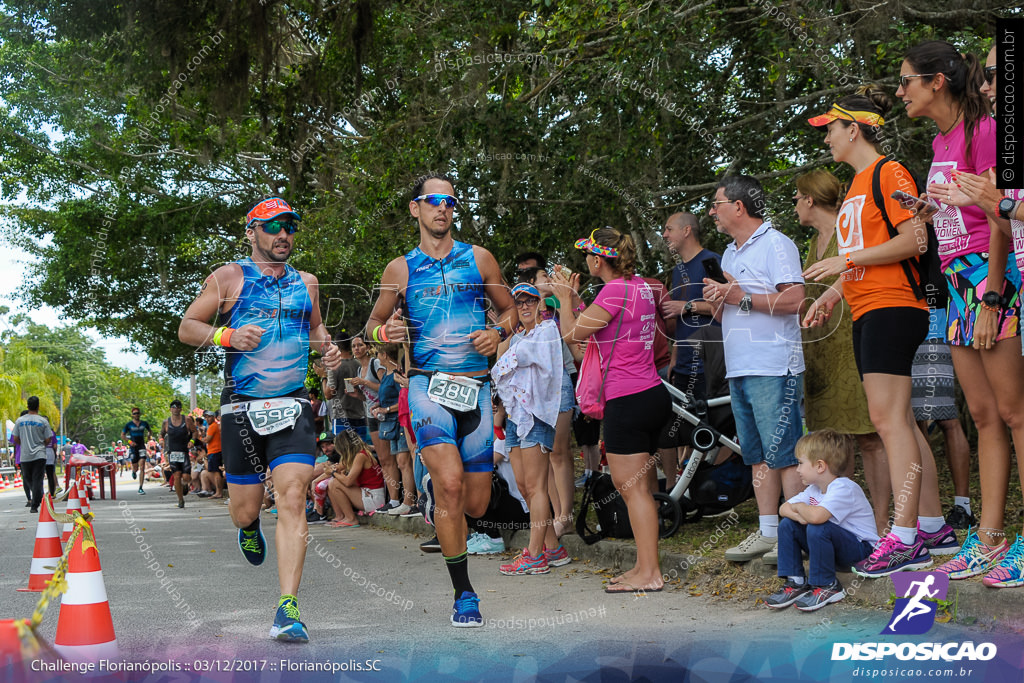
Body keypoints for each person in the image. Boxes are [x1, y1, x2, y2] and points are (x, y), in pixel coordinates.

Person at [178, 196, 343, 642]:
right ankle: (248, 526)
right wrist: (226, 334)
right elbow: (188, 326)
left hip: (291, 405)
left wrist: (326, 350)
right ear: (251, 232)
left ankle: (288, 608)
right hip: (240, 408)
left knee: (292, 498)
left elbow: (315, 331)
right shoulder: (229, 277)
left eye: (289, 226)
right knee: (244, 508)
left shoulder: (306, 282)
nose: (283, 234)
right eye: (272, 227)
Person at [803, 87, 953, 577]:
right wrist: (831, 295)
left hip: (894, 308)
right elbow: (861, 260)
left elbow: (914, 239)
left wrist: (843, 260)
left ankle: (905, 537)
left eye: (831, 128)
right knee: (902, 423)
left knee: (888, 423)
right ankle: (932, 525)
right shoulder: (855, 187)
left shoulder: (888, 172)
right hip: (868, 307)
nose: (826, 137)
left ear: (854, 128)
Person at [365, 172, 517, 627]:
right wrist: (383, 333)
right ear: (415, 208)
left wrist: (498, 332)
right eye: (433, 201)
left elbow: (511, 310)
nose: (442, 209)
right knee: (451, 484)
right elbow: (368, 327)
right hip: (426, 386)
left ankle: (436, 494)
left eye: (450, 202)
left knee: (475, 503)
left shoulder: (480, 259)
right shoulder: (401, 269)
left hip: (474, 389)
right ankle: (464, 594)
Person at [898, 39, 1021, 578]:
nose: (900, 91)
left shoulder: (987, 131)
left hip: (988, 279)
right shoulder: (942, 139)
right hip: (954, 281)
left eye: (906, 81)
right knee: (983, 416)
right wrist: (930, 207)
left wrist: (993, 294)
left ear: (936, 82)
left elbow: (1002, 218)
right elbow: (965, 207)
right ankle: (989, 536)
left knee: (1016, 414)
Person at [551, 226, 671, 593]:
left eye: (588, 254)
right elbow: (606, 328)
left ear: (598, 259)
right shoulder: (638, 288)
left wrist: (564, 300)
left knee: (633, 491)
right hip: (651, 393)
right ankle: (644, 566)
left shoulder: (614, 290)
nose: (585, 260)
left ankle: (650, 572)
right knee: (641, 490)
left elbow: (571, 336)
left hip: (627, 399)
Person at [702, 175, 805, 564]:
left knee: (785, 453)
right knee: (757, 455)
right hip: (740, 365)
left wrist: (739, 296)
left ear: (739, 207)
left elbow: (795, 299)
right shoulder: (729, 253)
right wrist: (717, 299)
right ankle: (768, 532)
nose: (712, 211)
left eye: (717, 203)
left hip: (775, 364)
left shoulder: (776, 244)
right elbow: (730, 310)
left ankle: (794, 534)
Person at [794, 169, 890, 536]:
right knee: (833, 442)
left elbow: (862, 269)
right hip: (819, 351)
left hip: (852, 339)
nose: (795, 207)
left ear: (810, 199)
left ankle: (881, 524)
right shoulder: (811, 243)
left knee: (869, 436)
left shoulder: (849, 230)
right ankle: (841, 521)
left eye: (796, 199)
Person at [492, 282, 571, 575]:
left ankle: (535, 555)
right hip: (515, 415)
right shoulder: (517, 337)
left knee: (537, 487)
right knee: (525, 486)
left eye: (530, 301)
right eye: (519, 302)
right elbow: (506, 368)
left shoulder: (548, 330)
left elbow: (514, 361)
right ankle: (553, 548)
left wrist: (500, 366)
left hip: (537, 415)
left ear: (541, 304)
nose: (525, 306)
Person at [766, 430, 879, 611]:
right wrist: (799, 517)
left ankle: (827, 586)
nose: (798, 469)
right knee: (788, 524)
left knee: (818, 527)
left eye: (801, 463)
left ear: (820, 466)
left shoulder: (844, 487)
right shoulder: (814, 489)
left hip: (862, 552)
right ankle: (796, 582)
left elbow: (816, 517)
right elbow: (783, 508)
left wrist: (801, 509)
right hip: (835, 551)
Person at [659, 211, 727, 492]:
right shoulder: (677, 270)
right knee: (681, 426)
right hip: (684, 359)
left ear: (687, 231)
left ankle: (713, 485)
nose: (664, 235)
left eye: (669, 229)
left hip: (709, 359)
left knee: (714, 427)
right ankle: (682, 488)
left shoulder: (713, 261)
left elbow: (726, 306)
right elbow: (679, 321)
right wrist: (674, 356)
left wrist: (685, 306)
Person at [911, 305, 974, 530]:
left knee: (946, 418)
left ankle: (962, 507)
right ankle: (927, 509)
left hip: (932, 327)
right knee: (914, 422)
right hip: (899, 328)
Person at [349, 337, 400, 510]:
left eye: (360, 345)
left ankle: (396, 499)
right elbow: (367, 395)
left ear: (367, 347)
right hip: (371, 414)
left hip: (386, 413)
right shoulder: (357, 369)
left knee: (392, 458)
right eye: (354, 346)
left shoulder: (375, 363)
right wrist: (357, 395)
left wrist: (363, 382)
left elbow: (384, 387)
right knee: (383, 459)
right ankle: (390, 500)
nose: (357, 348)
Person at [375, 343, 417, 515]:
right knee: (400, 462)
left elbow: (403, 398)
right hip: (392, 423)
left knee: (404, 461)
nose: (377, 357)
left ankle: (409, 501)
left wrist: (386, 410)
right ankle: (403, 500)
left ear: (384, 355)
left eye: (378, 354)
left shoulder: (396, 374)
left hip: (400, 422)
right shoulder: (386, 375)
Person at [325, 430, 386, 527]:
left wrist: (333, 472)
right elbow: (340, 467)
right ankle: (341, 516)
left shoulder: (361, 455)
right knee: (332, 482)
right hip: (367, 494)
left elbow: (348, 482)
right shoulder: (356, 455)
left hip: (373, 498)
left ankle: (351, 519)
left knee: (335, 483)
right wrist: (333, 469)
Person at [11, 397, 54, 514]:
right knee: (37, 479)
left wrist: (24, 444)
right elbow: (48, 439)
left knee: (28, 478)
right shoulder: (43, 421)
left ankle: (34, 504)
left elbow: (15, 438)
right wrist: (41, 445)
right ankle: (37, 499)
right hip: (40, 454)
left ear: (27, 406)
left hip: (25, 455)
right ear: (38, 407)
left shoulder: (20, 421)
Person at [324, 339, 370, 441]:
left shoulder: (334, 366)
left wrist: (323, 378)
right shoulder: (359, 364)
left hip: (341, 417)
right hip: (360, 415)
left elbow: (328, 394)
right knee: (361, 451)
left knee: (343, 452)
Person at [161, 399, 196, 509]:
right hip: (173, 453)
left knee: (186, 477)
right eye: (173, 407)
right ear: (170, 409)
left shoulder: (187, 420)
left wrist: (192, 441)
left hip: (184, 452)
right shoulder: (166, 422)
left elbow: (195, 432)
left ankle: (185, 485)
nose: (175, 409)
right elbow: (161, 434)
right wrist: (161, 440)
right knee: (176, 476)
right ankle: (180, 500)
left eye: (177, 407)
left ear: (181, 409)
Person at [122, 408, 152, 494]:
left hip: (141, 446)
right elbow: (123, 435)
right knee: (135, 467)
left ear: (140, 414)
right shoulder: (129, 425)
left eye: (138, 413)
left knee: (142, 466)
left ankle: (140, 487)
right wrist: (130, 442)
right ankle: (134, 472)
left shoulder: (144, 423)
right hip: (133, 447)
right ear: (132, 415)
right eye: (135, 413)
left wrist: (149, 436)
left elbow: (150, 431)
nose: (136, 415)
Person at [201, 411, 224, 499]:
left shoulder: (213, 426)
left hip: (215, 451)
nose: (207, 419)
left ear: (213, 417)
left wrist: (202, 439)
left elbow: (208, 439)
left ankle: (219, 492)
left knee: (217, 473)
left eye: (209, 417)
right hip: (213, 452)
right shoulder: (212, 426)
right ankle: (218, 492)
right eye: (206, 417)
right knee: (215, 473)